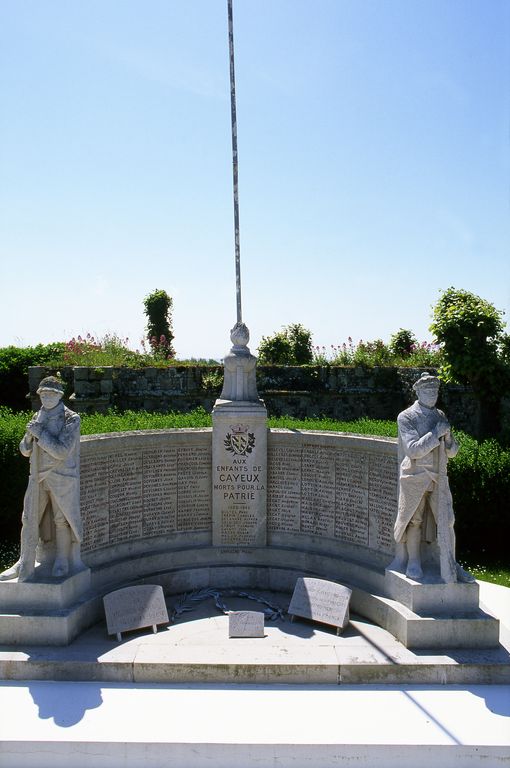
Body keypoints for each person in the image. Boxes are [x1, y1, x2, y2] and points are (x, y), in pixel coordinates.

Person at [388, 372, 474, 583]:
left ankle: (451, 564)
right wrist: (435, 434)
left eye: (435, 390)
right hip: (415, 476)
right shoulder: (406, 416)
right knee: (414, 520)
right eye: (427, 390)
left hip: (439, 477)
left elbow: (452, 452)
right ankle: (413, 562)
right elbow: (413, 450)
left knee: (448, 520)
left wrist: (450, 441)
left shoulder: (441, 415)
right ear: (417, 391)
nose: (432, 393)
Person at [0, 376, 83, 582]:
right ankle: (23, 561)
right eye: (43, 394)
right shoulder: (37, 416)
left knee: (61, 519)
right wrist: (28, 438)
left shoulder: (71, 418)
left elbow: (62, 451)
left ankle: (62, 560)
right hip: (37, 476)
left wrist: (40, 433)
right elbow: (25, 451)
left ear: (59, 396)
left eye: (50, 394)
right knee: (29, 519)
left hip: (61, 476)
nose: (46, 398)